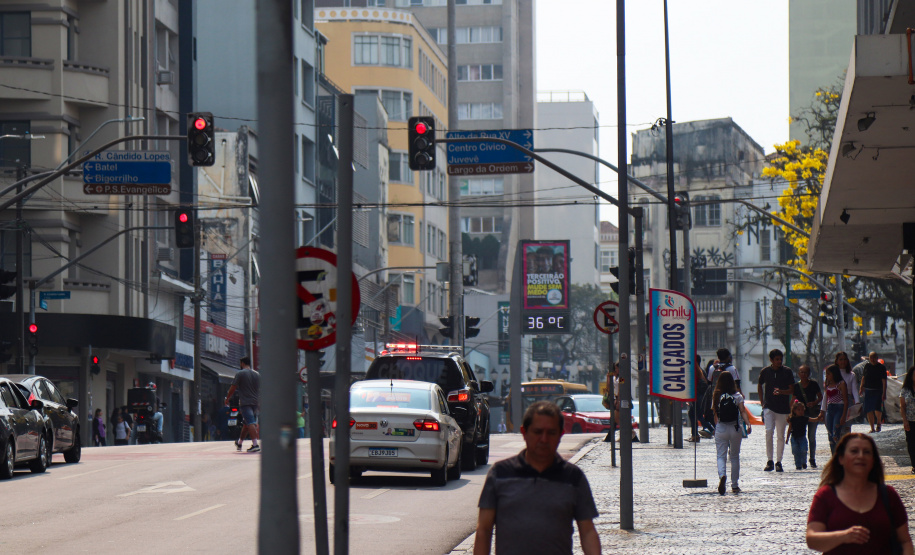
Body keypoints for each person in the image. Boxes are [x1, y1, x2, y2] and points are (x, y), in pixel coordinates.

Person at [473, 401, 600, 555]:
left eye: (551, 433)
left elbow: (587, 531)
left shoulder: (573, 477)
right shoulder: (500, 473)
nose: (544, 439)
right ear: (524, 433)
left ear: (560, 435)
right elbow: (484, 530)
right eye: (538, 432)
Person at [806, 433, 913, 554]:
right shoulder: (826, 495)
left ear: (873, 460)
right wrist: (844, 536)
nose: (860, 456)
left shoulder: (888, 495)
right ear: (841, 458)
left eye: (867, 452)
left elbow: (905, 541)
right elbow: (812, 539)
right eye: (854, 451)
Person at [712, 371, 752, 495]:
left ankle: (722, 475)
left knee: (721, 456)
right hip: (735, 428)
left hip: (721, 428)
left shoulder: (716, 395)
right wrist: (748, 424)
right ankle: (734, 485)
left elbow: (714, 414)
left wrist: (716, 427)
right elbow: (743, 411)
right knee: (734, 456)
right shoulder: (737, 395)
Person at [757, 348, 795, 472]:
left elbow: (792, 389)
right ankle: (770, 460)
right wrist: (762, 401)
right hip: (769, 406)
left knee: (780, 435)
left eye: (780, 359)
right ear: (771, 360)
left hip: (782, 408)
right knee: (769, 432)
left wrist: (782, 392)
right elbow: (760, 385)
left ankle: (779, 461)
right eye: (777, 359)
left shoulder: (787, 372)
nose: (779, 362)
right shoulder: (765, 371)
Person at [225, 356, 260, 452]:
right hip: (255, 403)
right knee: (246, 424)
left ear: (242, 363)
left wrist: (228, 398)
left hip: (245, 403)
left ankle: (255, 445)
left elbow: (233, 387)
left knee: (250, 422)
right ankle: (239, 443)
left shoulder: (240, 374)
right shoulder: (257, 374)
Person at [794, 365, 823, 468]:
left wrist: (814, 402)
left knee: (811, 436)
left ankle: (812, 458)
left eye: (806, 372)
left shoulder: (814, 384)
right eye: (801, 372)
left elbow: (820, 396)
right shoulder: (796, 386)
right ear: (798, 374)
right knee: (800, 436)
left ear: (809, 374)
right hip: (800, 415)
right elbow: (793, 399)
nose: (803, 374)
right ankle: (802, 460)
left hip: (812, 413)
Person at [829, 352, 860, 438]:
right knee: (836, 425)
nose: (843, 362)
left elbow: (854, 389)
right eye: (840, 359)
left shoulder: (851, 375)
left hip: (848, 401)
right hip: (836, 401)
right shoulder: (833, 374)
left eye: (844, 359)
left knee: (847, 426)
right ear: (837, 361)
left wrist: (857, 402)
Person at [819, 365, 849, 454]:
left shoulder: (841, 384)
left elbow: (845, 401)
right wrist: (822, 412)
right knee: (830, 434)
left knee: (836, 433)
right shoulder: (828, 384)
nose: (827, 376)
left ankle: (840, 454)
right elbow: (825, 398)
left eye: (828, 374)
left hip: (839, 409)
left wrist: (844, 415)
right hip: (830, 409)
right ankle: (834, 455)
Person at [858, 352, 888, 433]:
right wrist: (861, 387)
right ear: (869, 358)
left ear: (877, 358)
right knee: (868, 409)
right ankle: (872, 428)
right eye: (871, 358)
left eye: (874, 358)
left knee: (877, 408)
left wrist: (884, 392)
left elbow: (884, 381)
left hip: (878, 390)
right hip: (868, 390)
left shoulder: (881, 367)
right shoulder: (867, 366)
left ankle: (878, 423)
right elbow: (864, 377)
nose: (873, 360)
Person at [786, 400, 811, 470]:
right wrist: (787, 438)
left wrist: (819, 417)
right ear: (794, 411)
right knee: (795, 451)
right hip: (794, 437)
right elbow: (789, 428)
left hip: (802, 437)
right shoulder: (792, 419)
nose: (801, 411)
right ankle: (798, 465)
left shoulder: (804, 418)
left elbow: (812, 420)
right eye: (799, 410)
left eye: (802, 410)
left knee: (803, 450)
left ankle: (803, 462)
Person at [899, 366, 915, 475]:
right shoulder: (905, 390)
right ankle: (914, 464)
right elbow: (902, 406)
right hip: (910, 420)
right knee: (911, 443)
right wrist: (905, 420)